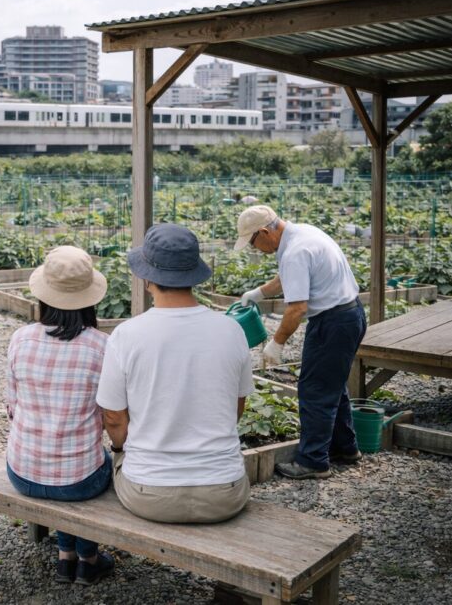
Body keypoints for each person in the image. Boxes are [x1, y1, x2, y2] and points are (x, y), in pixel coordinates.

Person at [97, 224, 252, 524]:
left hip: (148, 493)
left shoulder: (126, 335)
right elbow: (236, 407)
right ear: (193, 274)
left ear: (146, 279)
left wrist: (119, 449)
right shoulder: (232, 330)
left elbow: (113, 417)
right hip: (224, 492)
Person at [5, 245, 115, 586]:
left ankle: (66, 555)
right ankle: (87, 560)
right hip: (79, 481)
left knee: (72, 468)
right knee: (98, 463)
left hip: (22, 473)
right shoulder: (102, 346)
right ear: (90, 299)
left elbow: (12, 409)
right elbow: (112, 416)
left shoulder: (20, 339)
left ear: (44, 295)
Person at [235, 205, 365, 480]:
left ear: (264, 232)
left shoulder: (294, 252)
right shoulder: (303, 233)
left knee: (314, 390)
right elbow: (288, 276)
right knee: (332, 384)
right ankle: (345, 447)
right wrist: (259, 293)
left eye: (253, 243)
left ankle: (313, 462)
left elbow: (297, 309)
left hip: (332, 323)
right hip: (350, 315)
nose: (255, 249)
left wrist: (277, 343)